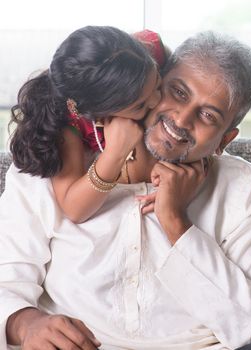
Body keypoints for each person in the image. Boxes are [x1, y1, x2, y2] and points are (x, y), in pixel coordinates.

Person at [0, 30, 251, 350]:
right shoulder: (51, 158)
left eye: (208, 115)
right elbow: (7, 278)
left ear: (225, 140)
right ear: (154, 84)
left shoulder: (249, 192)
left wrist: (176, 223)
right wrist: (26, 323)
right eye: (178, 92)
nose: (182, 119)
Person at [9, 25, 162, 224]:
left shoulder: (146, 53)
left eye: (158, 83)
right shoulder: (68, 127)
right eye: (140, 105)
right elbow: (75, 209)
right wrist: (115, 153)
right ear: (96, 111)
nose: (157, 101)